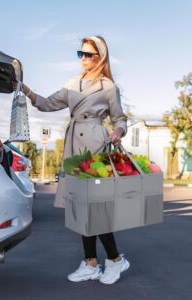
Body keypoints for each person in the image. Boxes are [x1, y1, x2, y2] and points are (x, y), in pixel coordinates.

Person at [12, 36, 130, 284]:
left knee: (95, 207)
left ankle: (116, 261)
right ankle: (90, 263)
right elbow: (46, 104)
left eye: (89, 54)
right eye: (81, 54)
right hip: (74, 145)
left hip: (96, 145)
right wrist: (25, 89)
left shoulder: (108, 86)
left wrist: (118, 132)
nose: (84, 59)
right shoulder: (72, 84)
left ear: (101, 57)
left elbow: (120, 118)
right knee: (79, 207)